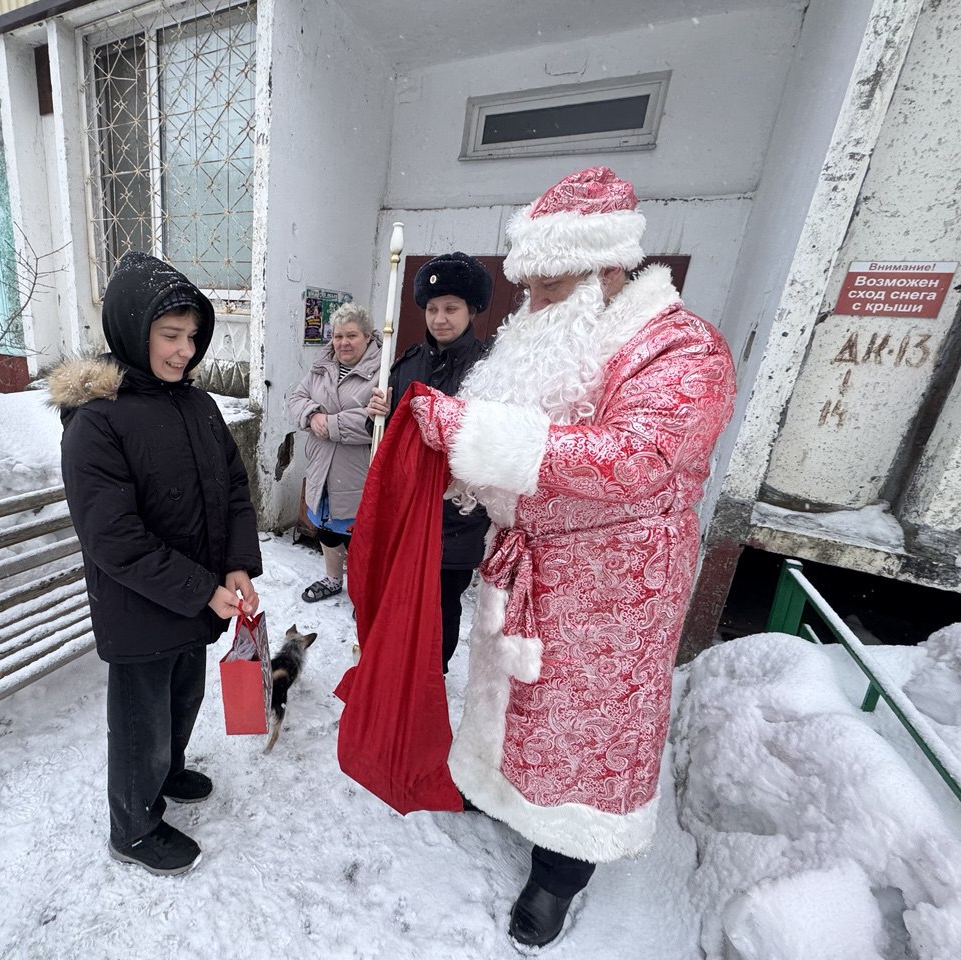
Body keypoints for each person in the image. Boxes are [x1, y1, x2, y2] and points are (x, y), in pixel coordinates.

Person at [403, 167, 737, 946]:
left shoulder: (684, 348)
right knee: (518, 706)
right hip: (531, 569)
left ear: (607, 270)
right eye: (532, 290)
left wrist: (481, 439)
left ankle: (560, 871)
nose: (534, 307)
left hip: (613, 592)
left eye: (550, 290)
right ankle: (499, 789)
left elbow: (637, 457)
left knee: (584, 730)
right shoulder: (567, 339)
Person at [50, 251, 262, 878]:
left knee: (184, 696)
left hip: (195, 599)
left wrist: (236, 567)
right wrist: (201, 588)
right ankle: (133, 828)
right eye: (170, 336)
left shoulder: (196, 406)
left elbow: (231, 489)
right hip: (140, 606)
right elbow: (113, 538)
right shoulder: (96, 422)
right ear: (131, 329)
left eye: (192, 337)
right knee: (141, 719)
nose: (184, 351)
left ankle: (167, 772)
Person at [365, 252, 493, 671]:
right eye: (432, 309)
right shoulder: (407, 363)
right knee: (400, 595)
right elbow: (388, 445)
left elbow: (489, 445)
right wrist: (378, 419)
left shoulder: (490, 370)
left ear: (472, 310)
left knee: (441, 603)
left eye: (451, 308)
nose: (440, 318)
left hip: (455, 518)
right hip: (406, 510)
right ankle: (399, 668)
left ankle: (430, 674)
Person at [287, 303, 380, 602]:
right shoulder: (322, 365)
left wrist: (329, 423)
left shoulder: (383, 371)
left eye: (351, 335)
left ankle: (363, 593)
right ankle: (332, 579)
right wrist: (312, 414)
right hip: (321, 466)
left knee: (361, 537)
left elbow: (375, 423)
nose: (343, 343)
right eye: (338, 336)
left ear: (368, 336)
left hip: (357, 471)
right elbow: (296, 399)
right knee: (326, 529)